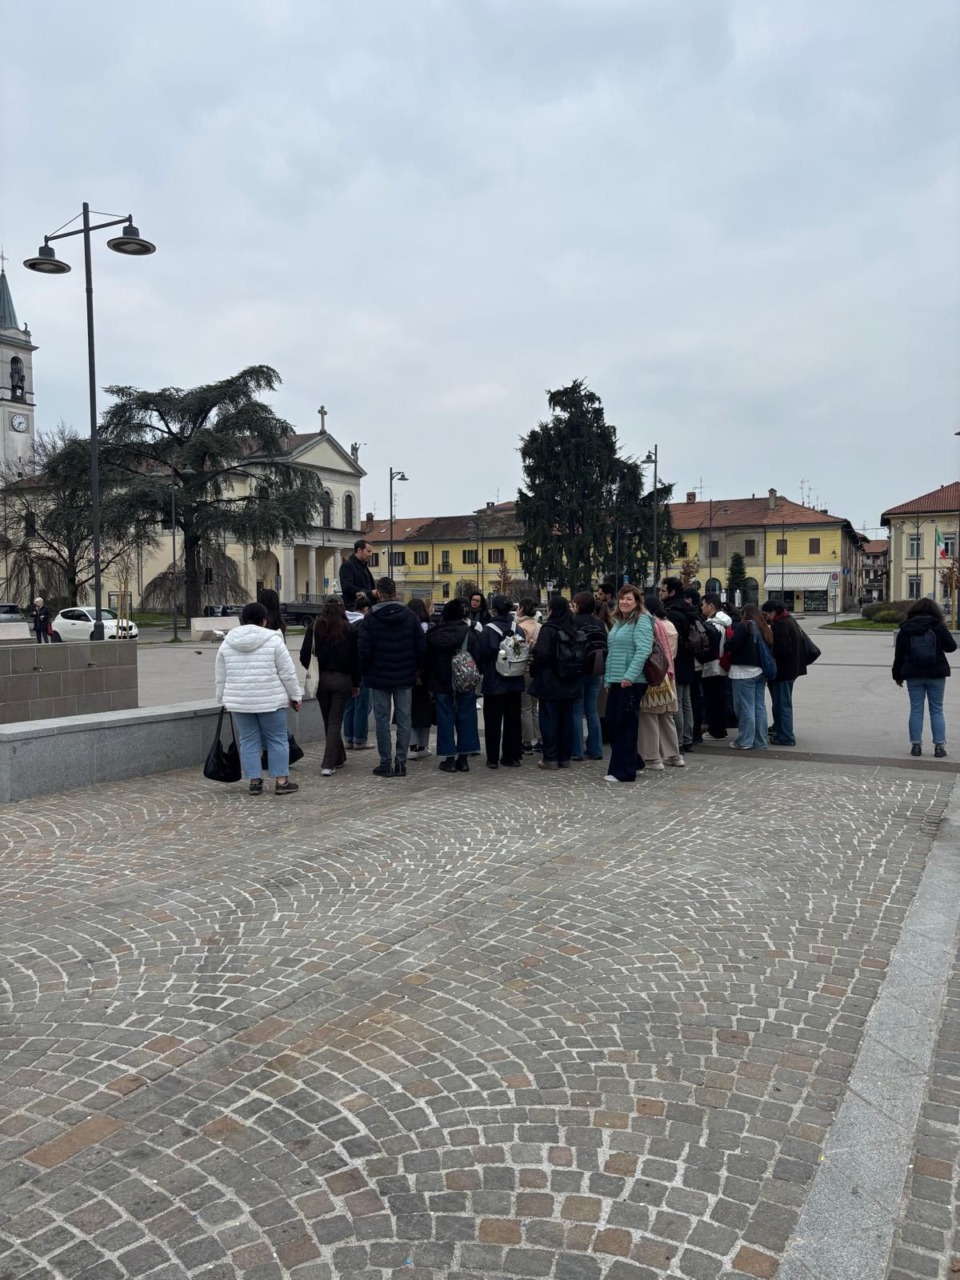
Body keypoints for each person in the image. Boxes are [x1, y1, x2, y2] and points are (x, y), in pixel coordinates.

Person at [214, 601, 302, 795]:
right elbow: (288, 673)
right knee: (277, 739)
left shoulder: (227, 643)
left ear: (243, 620)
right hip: (271, 701)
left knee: (248, 740)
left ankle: (254, 781)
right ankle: (281, 781)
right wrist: (296, 695)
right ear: (264, 620)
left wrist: (222, 699)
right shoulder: (274, 640)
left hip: (239, 702)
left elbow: (221, 676)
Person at [357, 577, 426, 777]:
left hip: (378, 676)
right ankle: (401, 763)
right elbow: (421, 646)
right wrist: (417, 669)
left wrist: (365, 670)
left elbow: (363, 649)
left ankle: (385, 762)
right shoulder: (410, 616)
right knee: (405, 719)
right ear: (395, 592)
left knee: (382, 720)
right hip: (405, 675)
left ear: (378, 593)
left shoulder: (370, 618)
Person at [299, 597, 360, 776]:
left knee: (329, 720)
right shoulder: (349, 629)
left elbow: (304, 655)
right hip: (343, 679)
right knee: (334, 721)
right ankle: (328, 763)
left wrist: (314, 669)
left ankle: (337, 757)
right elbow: (356, 659)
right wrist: (356, 682)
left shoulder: (315, 627)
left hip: (321, 680)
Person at [423, 598, 482, 772]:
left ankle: (449, 758)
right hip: (464, 682)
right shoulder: (468, 633)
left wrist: (428, 682)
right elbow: (477, 657)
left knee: (445, 719)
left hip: (441, 682)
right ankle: (463, 759)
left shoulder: (433, 635)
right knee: (467, 718)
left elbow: (427, 661)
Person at [892, 598, 957, 757]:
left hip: (913, 674)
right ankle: (939, 747)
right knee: (937, 710)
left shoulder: (906, 628)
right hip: (936, 673)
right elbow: (952, 647)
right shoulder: (937, 626)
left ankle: (916, 746)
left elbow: (898, 655)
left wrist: (897, 676)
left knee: (916, 709)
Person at [603, 586, 654, 782]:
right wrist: (609, 679)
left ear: (637, 602)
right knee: (612, 722)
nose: (624, 602)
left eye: (629, 599)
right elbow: (613, 652)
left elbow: (643, 650)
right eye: (622, 598)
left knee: (625, 725)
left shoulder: (641, 620)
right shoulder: (619, 621)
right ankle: (634, 761)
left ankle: (623, 771)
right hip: (617, 679)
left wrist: (630, 676)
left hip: (631, 681)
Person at [530, 597, 583, 769]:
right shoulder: (573, 628)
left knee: (549, 719)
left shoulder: (549, 629)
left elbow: (542, 655)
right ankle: (564, 757)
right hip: (570, 680)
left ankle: (550, 757)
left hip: (550, 681)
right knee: (566, 720)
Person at [479, 594, 524, 768]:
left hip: (494, 681)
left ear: (494, 610)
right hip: (515, 680)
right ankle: (511, 756)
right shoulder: (517, 627)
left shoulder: (488, 629)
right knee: (513, 721)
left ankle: (492, 758)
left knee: (492, 721)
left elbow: (483, 654)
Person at [638, 595, 683, 769]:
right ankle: (674, 755)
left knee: (649, 716)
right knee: (666, 716)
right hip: (669, 673)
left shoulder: (651, 624)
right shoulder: (668, 624)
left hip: (654, 675)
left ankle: (652, 758)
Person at [761, 599, 808, 746]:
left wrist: (769, 649)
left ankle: (786, 737)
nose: (765, 618)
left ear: (773, 612)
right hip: (791, 670)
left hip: (783, 672)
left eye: (766, 615)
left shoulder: (780, 624)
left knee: (782, 705)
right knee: (781, 703)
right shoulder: (789, 620)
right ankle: (779, 728)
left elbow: (782, 650)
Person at [726, 604, 773, 750]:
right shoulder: (764, 628)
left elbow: (733, 645)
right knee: (759, 706)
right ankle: (760, 741)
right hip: (760, 672)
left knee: (745, 707)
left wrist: (727, 643)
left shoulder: (745, 625)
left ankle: (744, 741)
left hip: (744, 672)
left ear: (745, 613)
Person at [660, 578, 697, 752]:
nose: (660, 594)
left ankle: (679, 742)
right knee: (686, 702)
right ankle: (688, 739)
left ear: (672, 592)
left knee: (677, 703)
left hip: (676, 661)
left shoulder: (672, 613)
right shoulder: (689, 609)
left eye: (663, 590)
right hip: (689, 660)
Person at [571, 591, 607, 761]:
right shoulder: (599, 622)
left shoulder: (573, 622)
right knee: (592, 711)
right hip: (596, 669)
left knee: (577, 710)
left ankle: (577, 750)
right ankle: (596, 749)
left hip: (578, 670)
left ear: (579, 605)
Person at [342, 593, 372, 750]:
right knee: (362, 705)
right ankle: (360, 739)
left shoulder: (344, 622)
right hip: (361, 669)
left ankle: (348, 738)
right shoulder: (363, 624)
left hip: (346, 670)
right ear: (365, 609)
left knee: (349, 705)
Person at [701, 592, 732, 740]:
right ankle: (720, 729)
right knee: (720, 699)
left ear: (711, 606)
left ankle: (716, 731)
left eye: (703, 605)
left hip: (712, 666)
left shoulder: (713, 624)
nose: (701, 608)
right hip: (722, 665)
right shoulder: (726, 622)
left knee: (713, 700)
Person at [406, 598, 434, 758]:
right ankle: (423, 745)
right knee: (425, 709)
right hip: (426, 675)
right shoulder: (431, 628)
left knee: (408, 710)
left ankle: (412, 746)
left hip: (408, 673)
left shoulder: (405, 627)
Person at [515, 598, 542, 754]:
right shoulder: (539, 626)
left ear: (521, 609)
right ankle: (540, 738)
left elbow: (517, 650)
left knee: (525, 708)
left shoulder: (520, 627)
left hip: (524, 669)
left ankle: (526, 742)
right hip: (536, 669)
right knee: (534, 707)